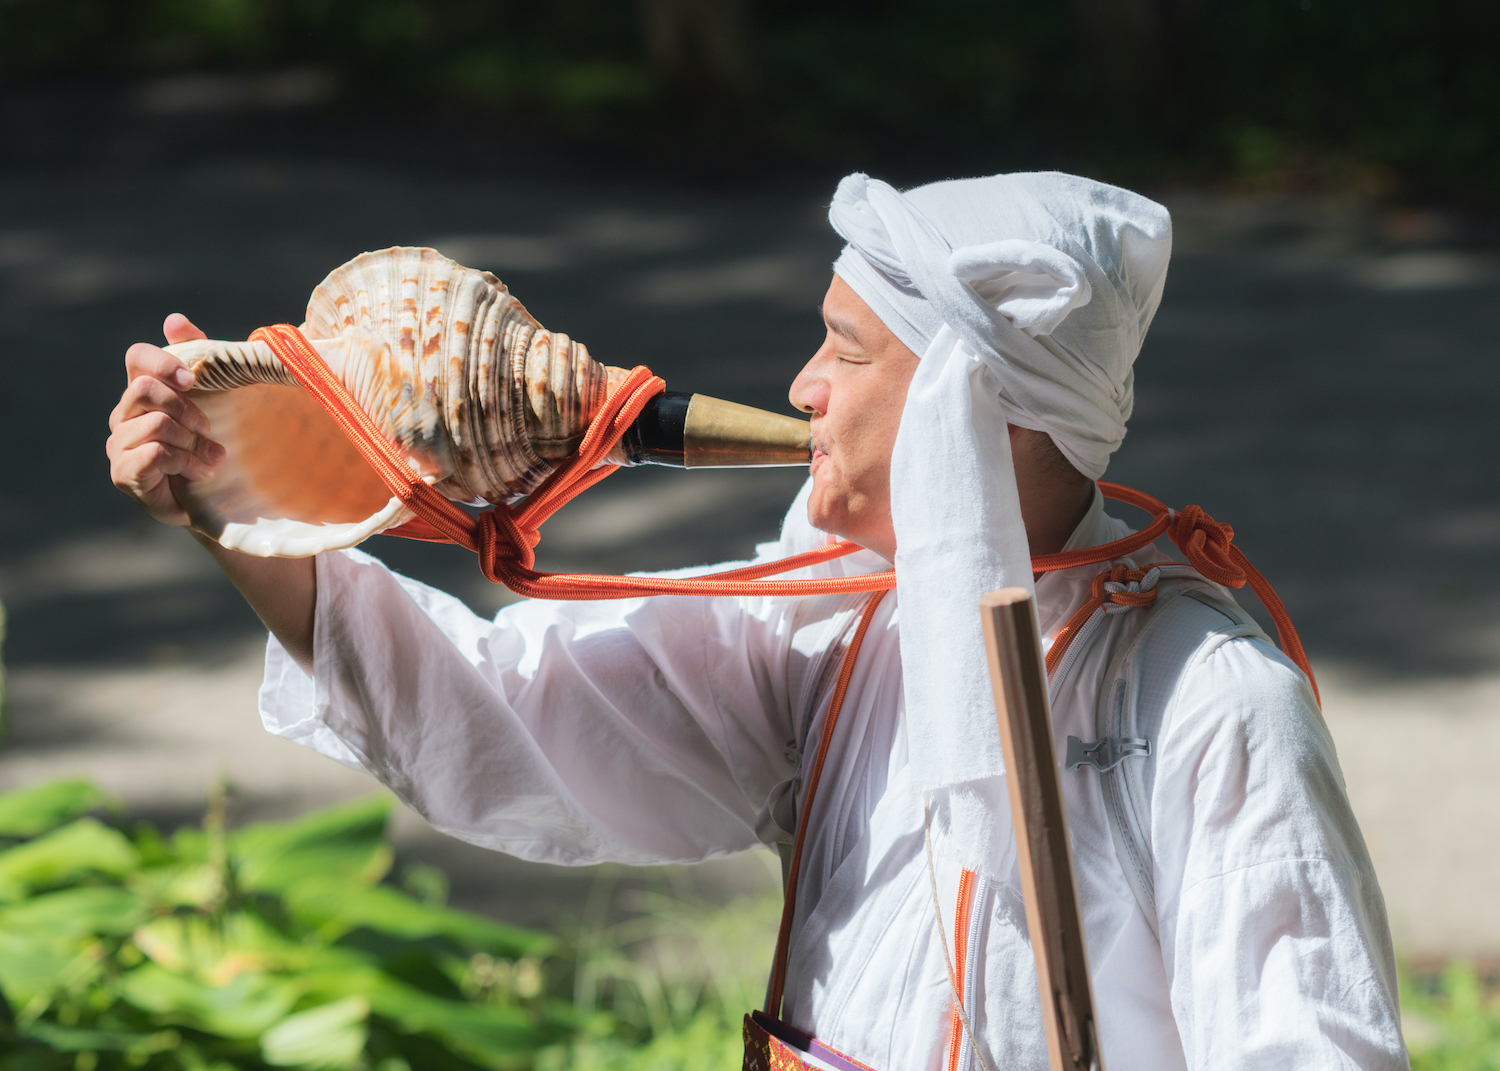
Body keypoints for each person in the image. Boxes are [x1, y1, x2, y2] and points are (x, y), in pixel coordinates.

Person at [106, 172, 1408, 1070]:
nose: (800, 388)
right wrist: (239, 497)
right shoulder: (844, 616)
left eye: (846, 352)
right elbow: (526, 719)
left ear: (979, 407)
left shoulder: (1206, 703)